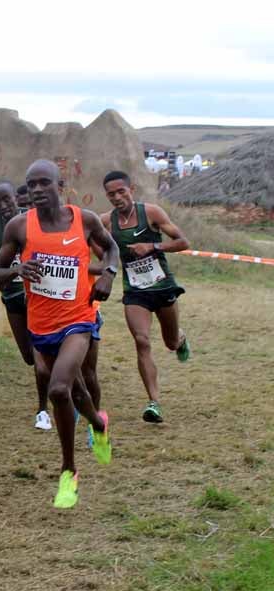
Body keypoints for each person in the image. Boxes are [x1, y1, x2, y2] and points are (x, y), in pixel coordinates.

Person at [0, 159, 119, 509]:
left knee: (59, 388)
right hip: (41, 324)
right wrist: (18, 268)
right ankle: (98, 423)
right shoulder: (19, 227)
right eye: (30, 184)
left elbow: (111, 248)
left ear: (59, 186)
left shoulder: (84, 220)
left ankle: (68, 472)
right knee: (74, 393)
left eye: (43, 183)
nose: (35, 190)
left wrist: (108, 274)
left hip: (79, 318)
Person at [101, 171, 191, 423]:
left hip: (163, 287)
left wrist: (153, 246)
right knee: (142, 341)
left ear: (132, 188)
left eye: (121, 191)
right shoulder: (106, 221)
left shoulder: (151, 213)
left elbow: (183, 241)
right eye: (111, 194)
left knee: (170, 342)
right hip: (135, 292)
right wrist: (107, 260)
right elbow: (96, 245)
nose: (117, 197)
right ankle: (154, 403)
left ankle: (180, 338)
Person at [0, 180, 50, 430]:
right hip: (11, 293)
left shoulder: (30, 219)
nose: (3, 205)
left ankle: (43, 409)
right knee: (30, 357)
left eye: (6, 199)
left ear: (16, 198)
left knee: (42, 356)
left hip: (37, 294)